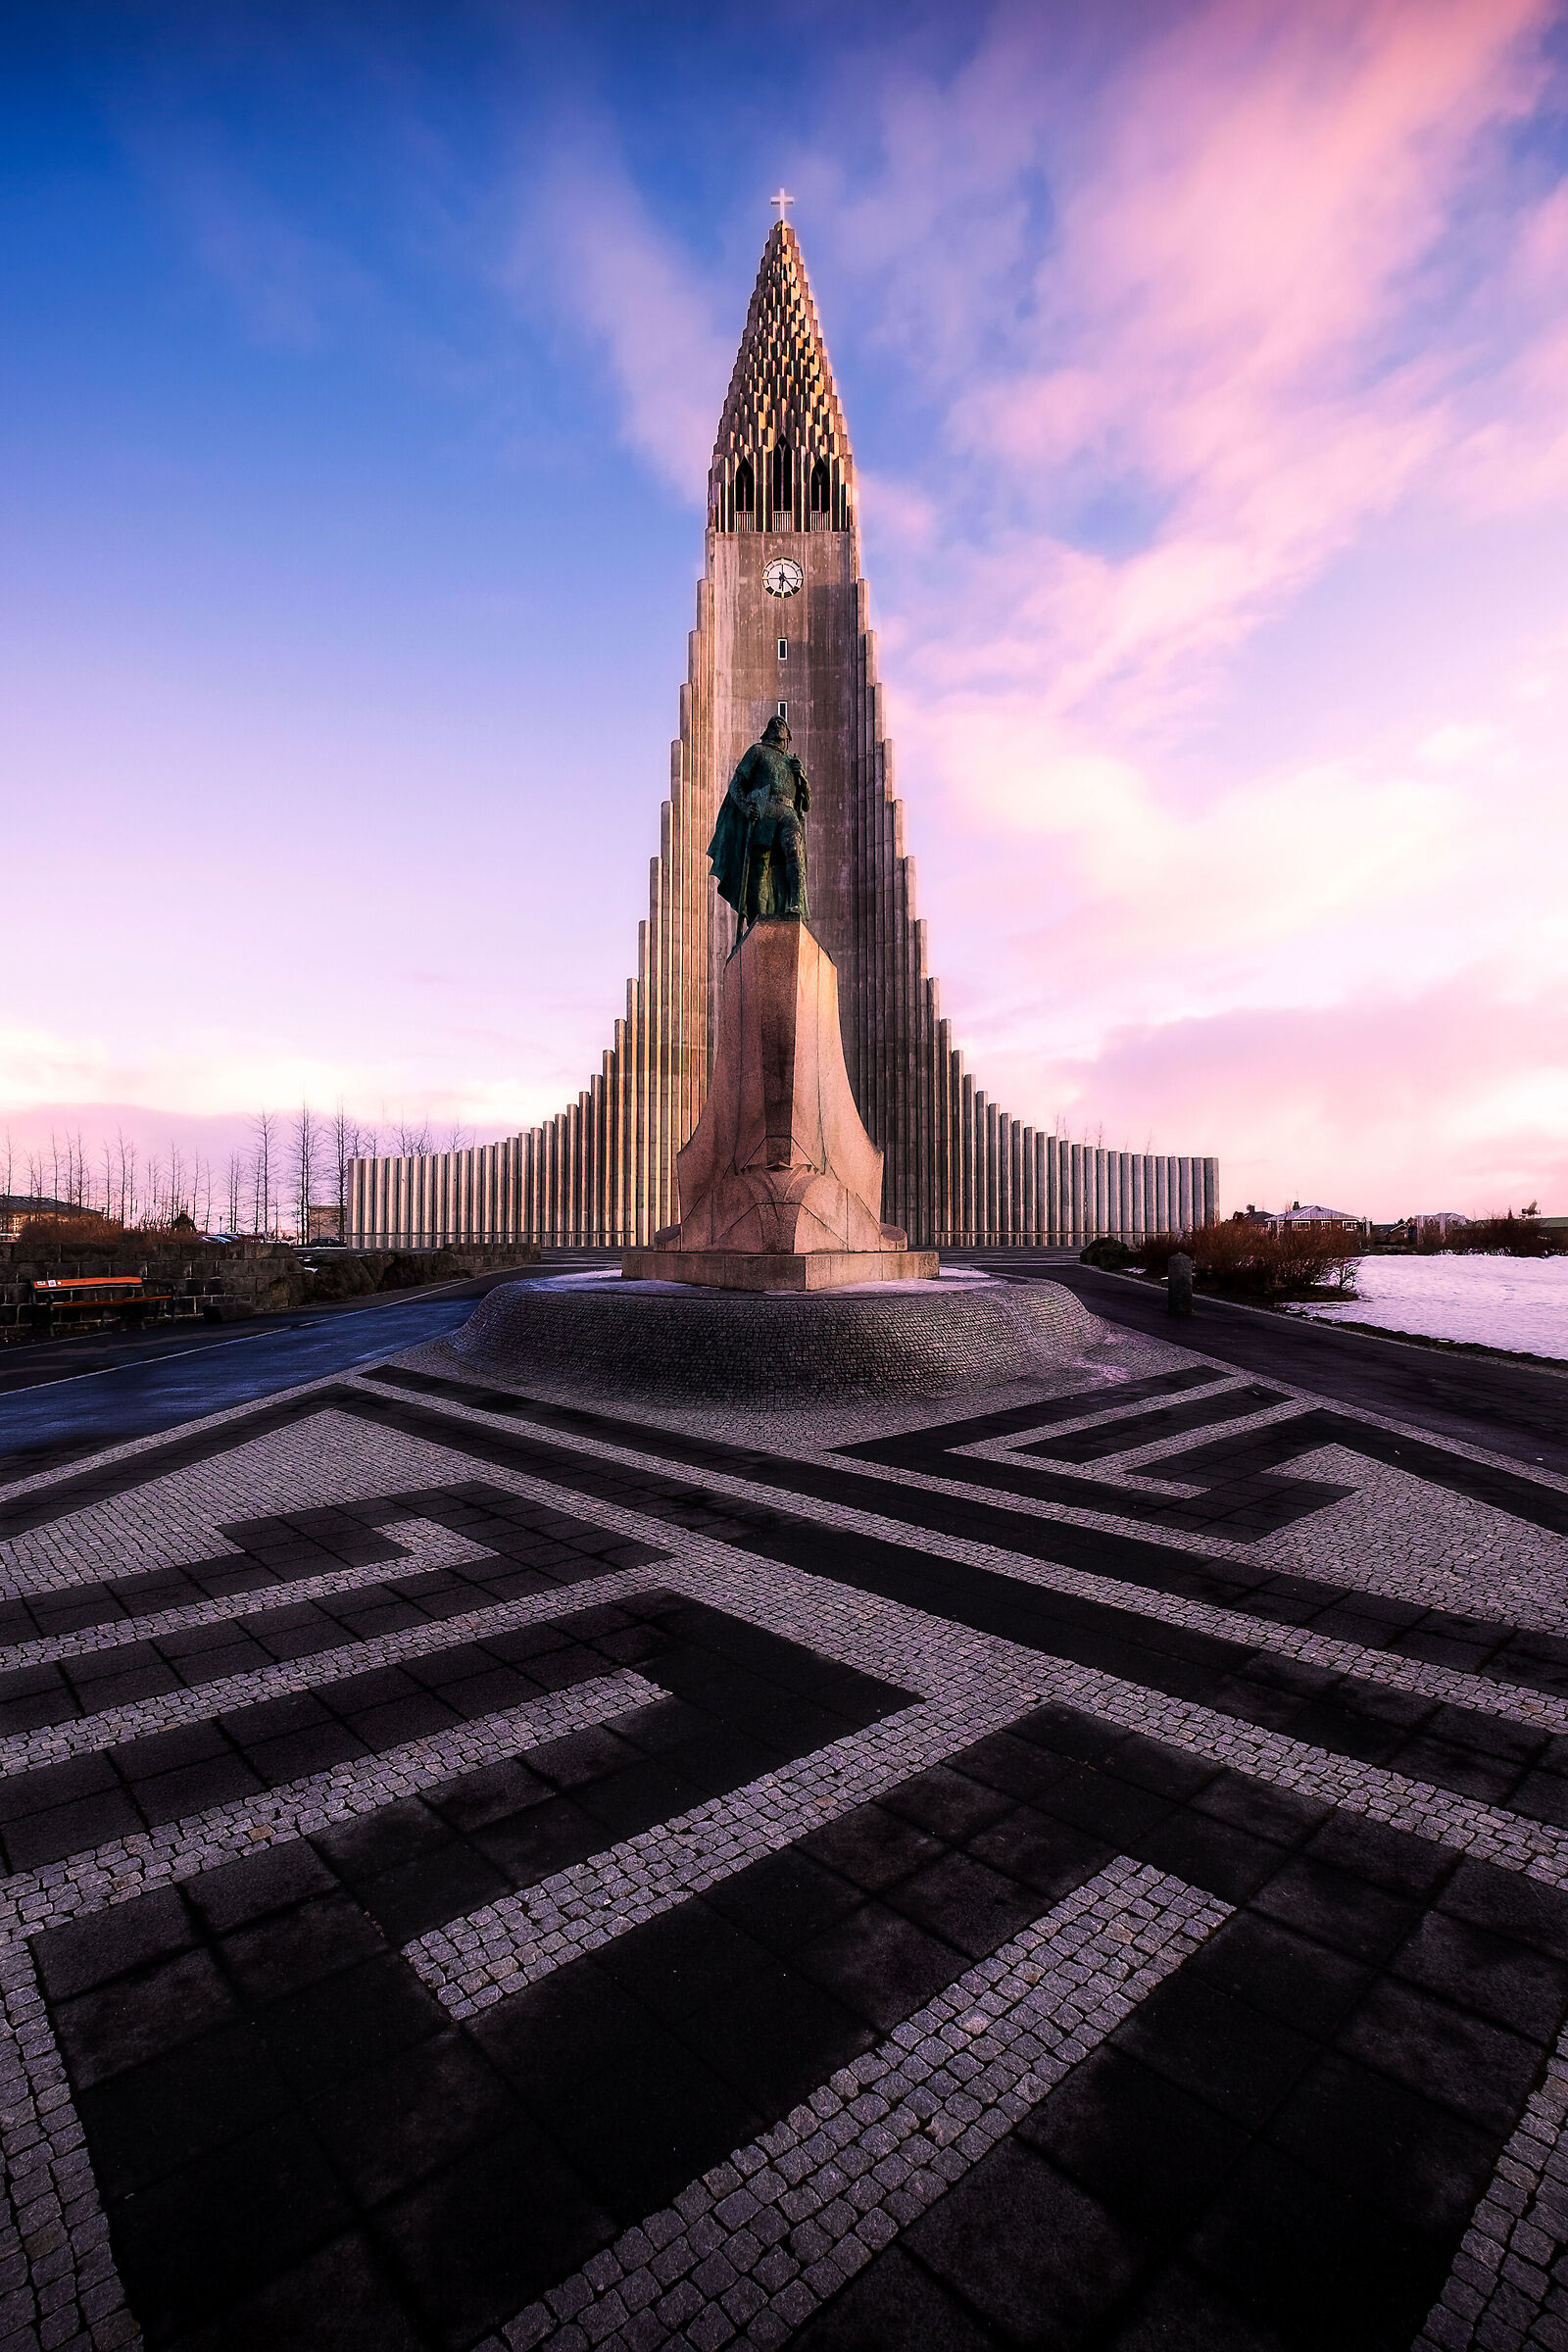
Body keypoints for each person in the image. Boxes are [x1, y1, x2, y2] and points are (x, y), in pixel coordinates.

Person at [707, 714, 810, 929]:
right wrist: (746, 807)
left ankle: (796, 905)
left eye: (781, 724)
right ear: (767, 732)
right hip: (764, 812)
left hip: (788, 813)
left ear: (788, 735)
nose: (777, 725)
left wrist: (803, 779)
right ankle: (757, 919)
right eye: (773, 724)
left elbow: (806, 803)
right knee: (760, 867)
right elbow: (736, 785)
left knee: (794, 852)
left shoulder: (793, 762)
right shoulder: (757, 751)